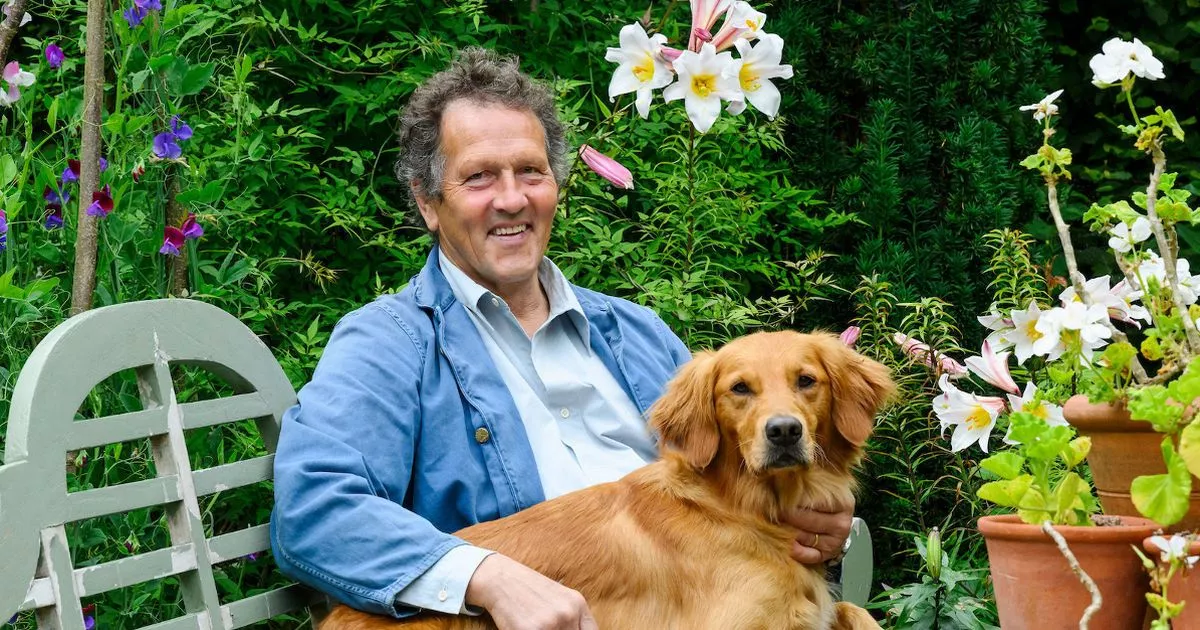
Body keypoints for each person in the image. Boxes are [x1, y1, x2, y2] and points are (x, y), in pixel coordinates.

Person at [269, 47, 855, 629]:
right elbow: (314, 510)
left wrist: (823, 521)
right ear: (428, 202)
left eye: (531, 171)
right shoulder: (388, 343)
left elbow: (735, 482)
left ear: (556, 185)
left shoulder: (638, 333)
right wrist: (488, 576)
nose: (512, 199)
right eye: (479, 177)